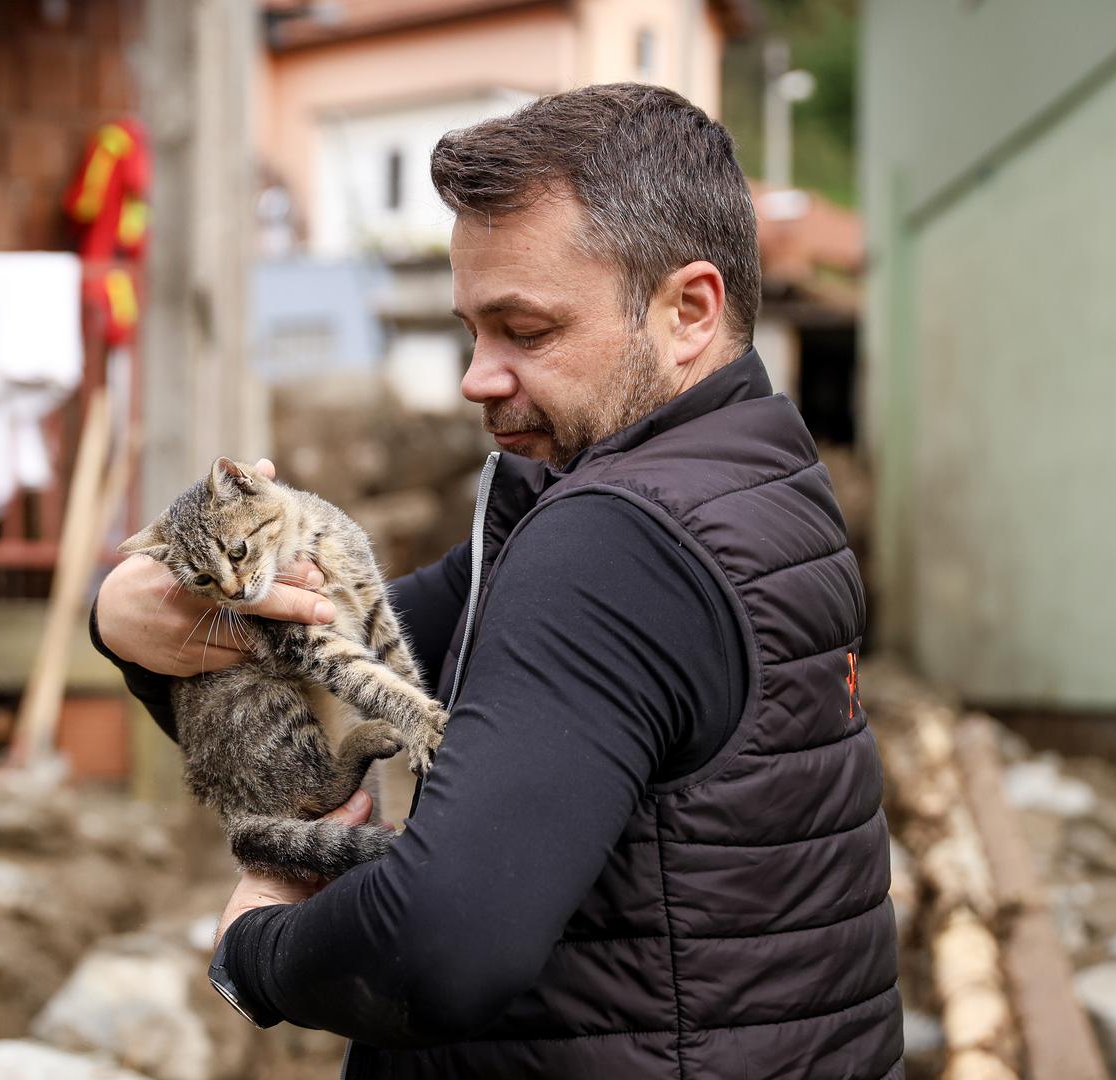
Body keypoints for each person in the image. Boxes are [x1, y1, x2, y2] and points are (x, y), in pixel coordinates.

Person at [93, 84, 901, 1079]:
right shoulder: (749, 478)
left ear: (688, 310)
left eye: (524, 331)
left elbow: (439, 947)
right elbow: (357, 667)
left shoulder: (613, 544)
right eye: (469, 328)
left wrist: (256, 949)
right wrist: (138, 618)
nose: (474, 374)